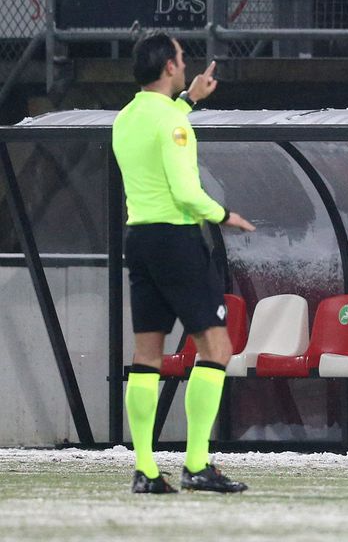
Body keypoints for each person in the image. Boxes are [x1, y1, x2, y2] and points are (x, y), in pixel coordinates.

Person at [113, 32, 256, 494]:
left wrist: (191, 99)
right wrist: (224, 215)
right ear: (169, 68)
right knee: (217, 349)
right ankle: (197, 464)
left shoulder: (127, 117)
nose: (184, 62)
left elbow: (162, 122)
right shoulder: (173, 125)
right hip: (176, 239)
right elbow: (185, 191)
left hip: (139, 239)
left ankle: (145, 470)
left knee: (146, 356)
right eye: (180, 57)